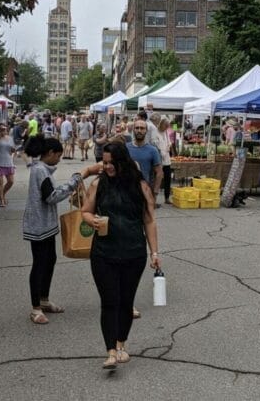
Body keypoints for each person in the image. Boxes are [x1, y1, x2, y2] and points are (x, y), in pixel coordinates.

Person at [81, 142, 161, 369]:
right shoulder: (99, 184)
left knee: (126, 303)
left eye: (110, 163)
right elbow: (85, 211)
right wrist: (92, 220)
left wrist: (154, 252)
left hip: (133, 254)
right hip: (103, 253)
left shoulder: (140, 186)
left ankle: (121, 344)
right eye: (104, 163)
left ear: (122, 162)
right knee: (109, 302)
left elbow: (149, 221)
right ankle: (111, 352)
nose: (106, 167)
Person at [22, 136, 101, 324]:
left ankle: (44, 300)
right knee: (40, 264)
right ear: (50, 153)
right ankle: (35, 308)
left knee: (50, 260)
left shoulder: (42, 169)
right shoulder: (40, 170)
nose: (59, 159)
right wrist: (75, 180)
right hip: (38, 226)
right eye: (58, 155)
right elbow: (51, 196)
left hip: (46, 225)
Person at [126, 120, 163, 208]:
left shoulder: (153, 150)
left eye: (142, 128)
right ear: (133, 130)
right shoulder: (126, 148)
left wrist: (155, 194)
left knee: (144, 220)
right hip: (126, 191)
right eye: (137, 128)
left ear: (146, 131)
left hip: (144, 192)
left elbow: (159, 172)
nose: (139, 130)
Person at [0, 124, 17, 208]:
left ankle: (2, 194)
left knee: (11, 181)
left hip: (8, 161)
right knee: (0, 182)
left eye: (4, 129)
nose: (3, 130)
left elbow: (12, 150)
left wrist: (13, 150)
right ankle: (2, 200)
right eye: (1, 129)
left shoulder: (10, 138)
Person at [150, 115, 173, 206]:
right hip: (158, 159)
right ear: (161, 124)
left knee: (168, 178)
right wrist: (161, 150)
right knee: (157, 179)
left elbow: (168, 142)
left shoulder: (166, 132)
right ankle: (153, 199)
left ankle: (167, 197)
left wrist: (168, 146)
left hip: (166, 159)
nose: (166, 128)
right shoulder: (155, 132)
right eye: (165, 126)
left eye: (168, 126)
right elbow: (154, 143)